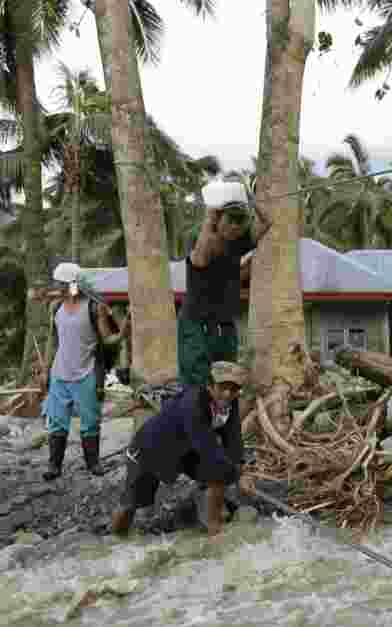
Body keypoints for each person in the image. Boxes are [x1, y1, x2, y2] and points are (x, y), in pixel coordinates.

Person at [110, 361, 251, 538]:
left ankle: (214, 529)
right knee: (132, 503)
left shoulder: (231, 402)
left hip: (185, 451)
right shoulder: (193, 404)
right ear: (209, 385)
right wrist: (238, 475)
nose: (228, 393)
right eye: (223, 387)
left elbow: (233, 437)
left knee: (219, 473)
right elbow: (207, 447)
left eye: (234, 389)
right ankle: (115, 540)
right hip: (151, 449)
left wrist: (240, 465)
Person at [177, 178, 271, 387]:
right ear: (217, 220)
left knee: (227, 383)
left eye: (240, 221)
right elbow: (201, 256)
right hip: (197, 326)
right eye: (230, 220)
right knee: (198, 386)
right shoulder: (202, 244)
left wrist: (250, 199)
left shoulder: (236, 245)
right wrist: (211, 215)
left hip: (225, 325)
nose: (235, 226)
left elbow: (266, 223)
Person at [42, 262, 130, 480]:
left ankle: (93, 464)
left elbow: (108, 339)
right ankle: (54, 466)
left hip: (86, 373)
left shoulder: (93, 307)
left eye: (62, 284)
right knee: (57, 420)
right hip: (59, 373)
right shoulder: (55, 307)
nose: (58, 287)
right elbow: (52, 342)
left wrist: (123, 333)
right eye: (57, 283)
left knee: (90, 421)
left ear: (74, 284)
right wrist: (45, 369)